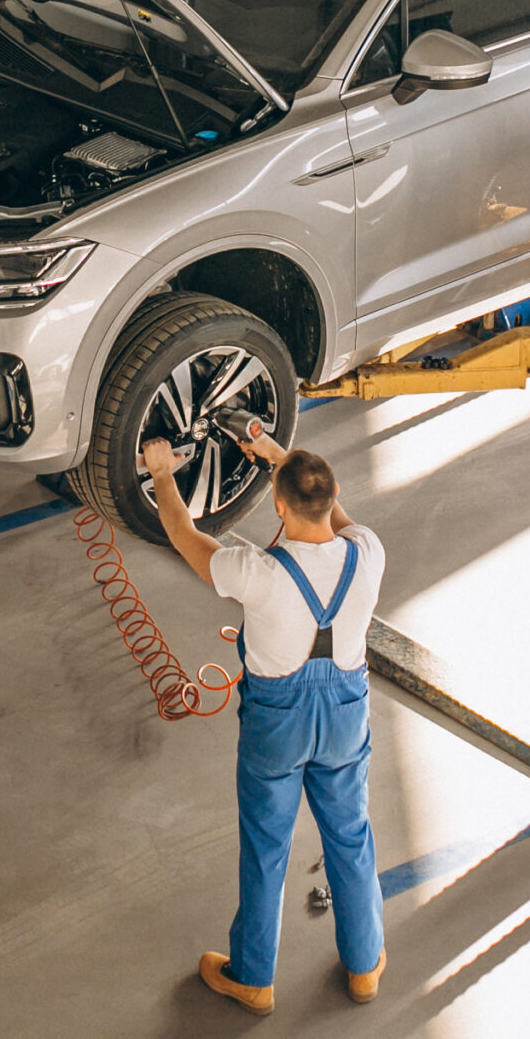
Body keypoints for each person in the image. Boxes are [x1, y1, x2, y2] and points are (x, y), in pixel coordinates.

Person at [143, 425, 388, 1015]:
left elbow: (183, 535)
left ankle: (253, 977)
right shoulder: (368, 552)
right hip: (345, 714)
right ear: (329, 498)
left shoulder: (257, 571)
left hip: (277, 723)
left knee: (266, 848)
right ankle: (364, 967)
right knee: (350, 836)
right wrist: (284, 460)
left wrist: (160, 473)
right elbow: (341, 520)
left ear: (277, 506)